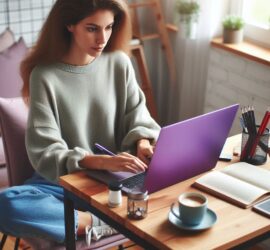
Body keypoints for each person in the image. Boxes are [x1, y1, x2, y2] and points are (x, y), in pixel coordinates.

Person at [0, 0, 160, 246]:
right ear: (69, 25)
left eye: (108, 27)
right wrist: (97, 160)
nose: (102, 38)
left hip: (114, 179)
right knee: (6, 204)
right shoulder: (45, 75)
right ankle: (98, 224)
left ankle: (98, 217)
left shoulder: (119, 63)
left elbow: (137, 114)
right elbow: (46, 150)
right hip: (62, 182)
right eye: (92, 28)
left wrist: (142, 142)